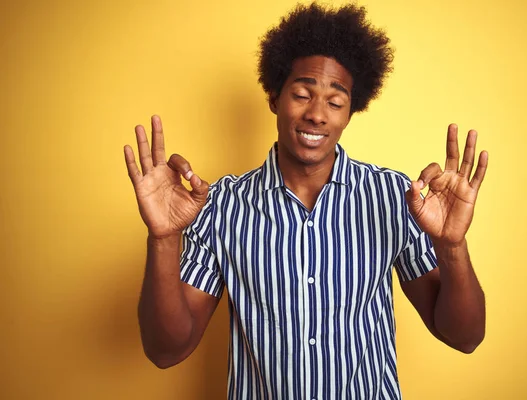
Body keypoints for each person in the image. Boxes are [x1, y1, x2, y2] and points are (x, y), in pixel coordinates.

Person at [124, 3, 487, 399]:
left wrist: (451, 247)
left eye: (335, 102)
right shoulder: (220, 206)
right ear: (274, 97)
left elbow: (464, 337)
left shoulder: (395, 198)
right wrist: (162, 239)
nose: (317, 114)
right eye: (302, 94)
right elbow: (166, 350)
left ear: (351, 111)